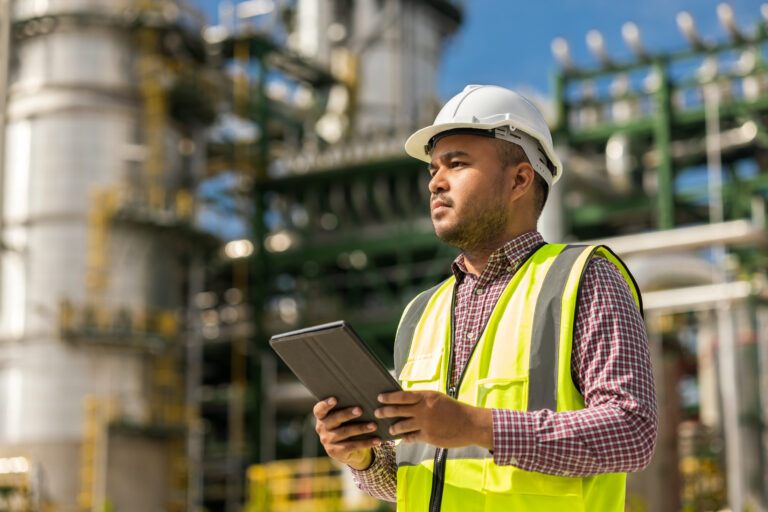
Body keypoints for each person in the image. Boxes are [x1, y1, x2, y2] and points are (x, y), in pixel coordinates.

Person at [312, 84, 658, 511]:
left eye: (456, 164)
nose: (435, 182)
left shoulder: (584, 279)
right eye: (432, 170)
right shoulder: (421, 313)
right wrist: (361, 457)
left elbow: (632, 432)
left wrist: (476, 426)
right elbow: (415, 475)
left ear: (519, 179)